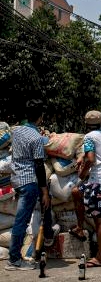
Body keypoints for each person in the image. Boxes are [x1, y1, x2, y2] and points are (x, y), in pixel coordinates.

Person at [6, 99, 54, 271]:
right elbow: (39, 165)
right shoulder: (37, 138)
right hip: (29, 182)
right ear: (40, 117)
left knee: (21, 220)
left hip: (17, 179)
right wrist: (44, 192)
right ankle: (14, 260)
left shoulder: (16, 132)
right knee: (21, 221)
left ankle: (45, 236)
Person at [69, 111, 101, 268]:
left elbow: (91, 159)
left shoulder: (89, 137)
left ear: (86, 123)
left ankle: (100, 258)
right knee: (76, 192)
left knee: (99, 219)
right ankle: (80, 228)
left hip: (99, 183)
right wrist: (82, 156)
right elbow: (95, 151)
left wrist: (82, 173)